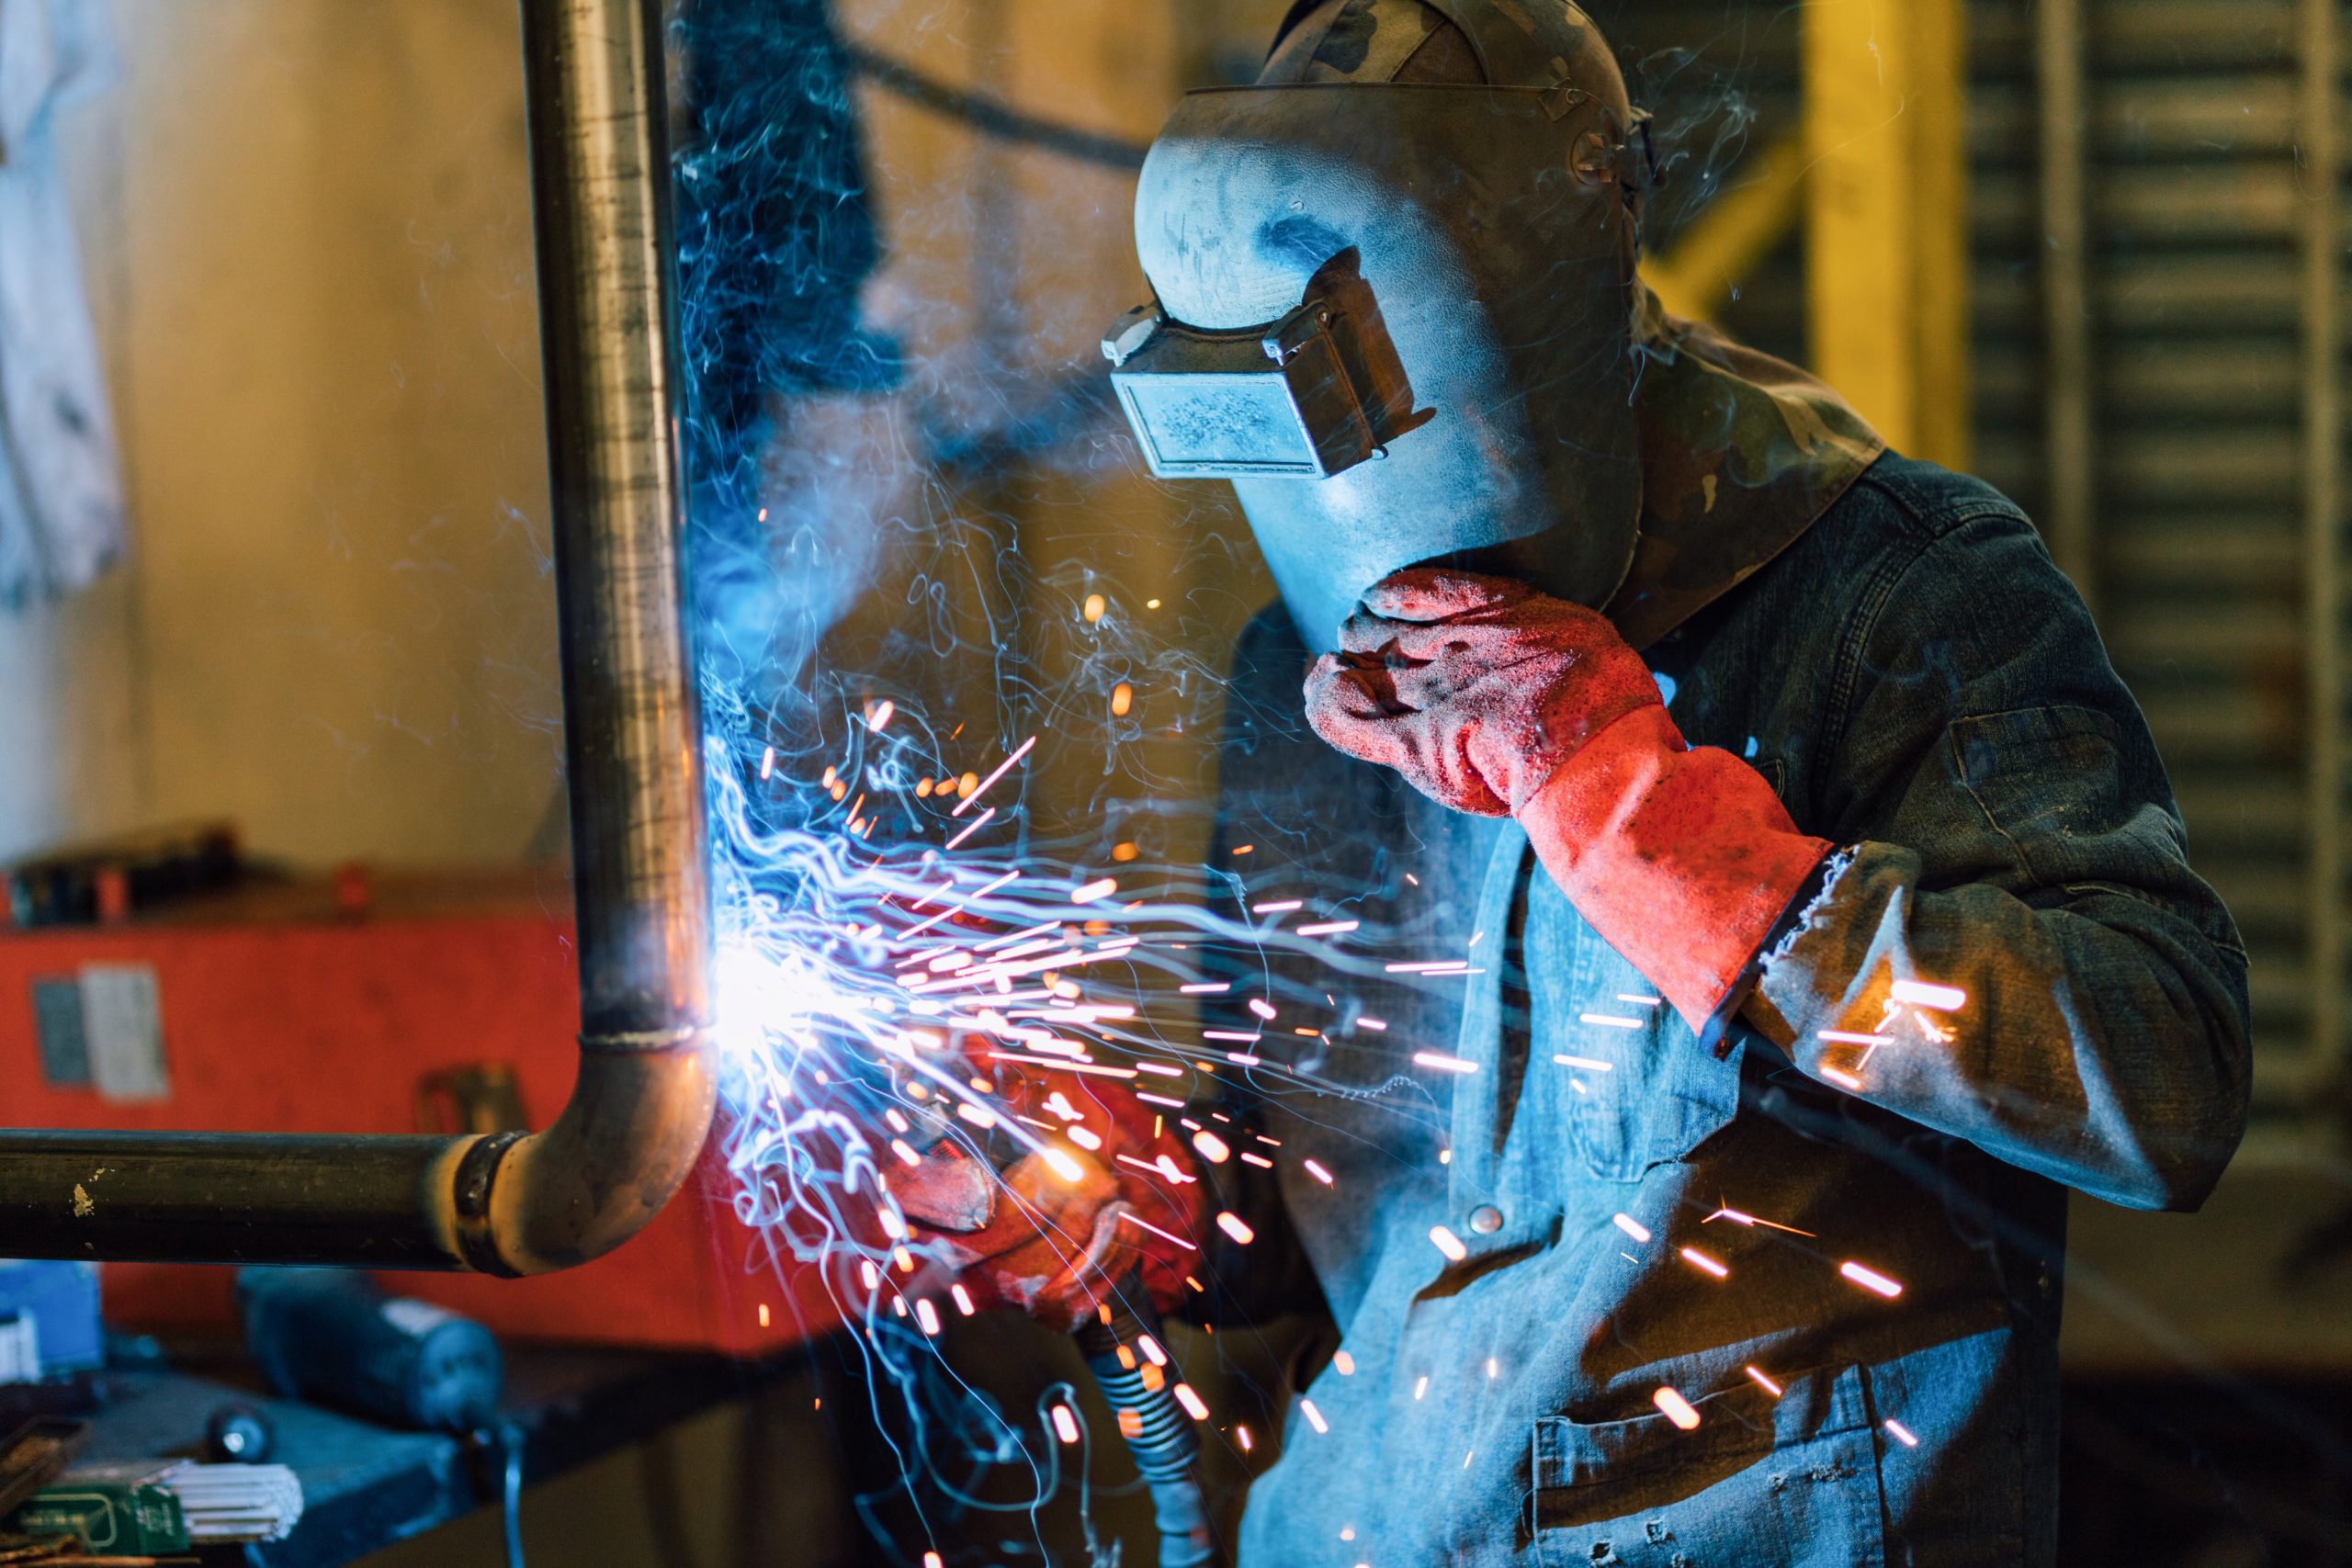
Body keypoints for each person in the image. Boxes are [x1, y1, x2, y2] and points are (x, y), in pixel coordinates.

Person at [1084, 2, 2251, 1564]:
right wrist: (1151, 1215)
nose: (1397, 585)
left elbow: (2159, 1076)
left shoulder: (1888, 598)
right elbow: (1326, 1209)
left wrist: (1647, 818)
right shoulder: (1307, 685)